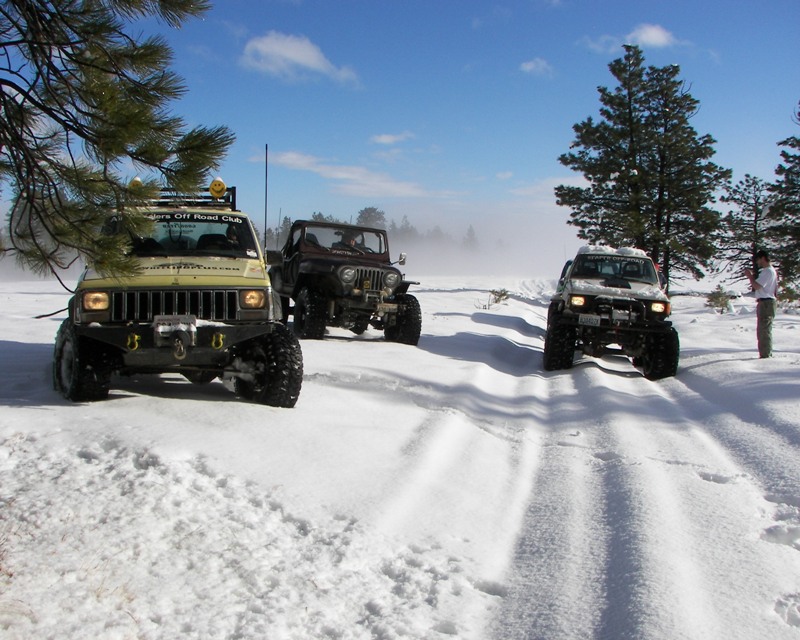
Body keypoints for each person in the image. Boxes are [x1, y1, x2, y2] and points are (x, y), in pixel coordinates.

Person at [744, 249, 778, 358]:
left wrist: (750, 276)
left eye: (758, 259)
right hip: (767, 302)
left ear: (763, 258)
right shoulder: (769, 271)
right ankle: (765, 354)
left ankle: (765, 356)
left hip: (766, 303)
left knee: (764, 331)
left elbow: (757, 286)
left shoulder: (768, 271)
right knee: (763, 330)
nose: (757, 262)